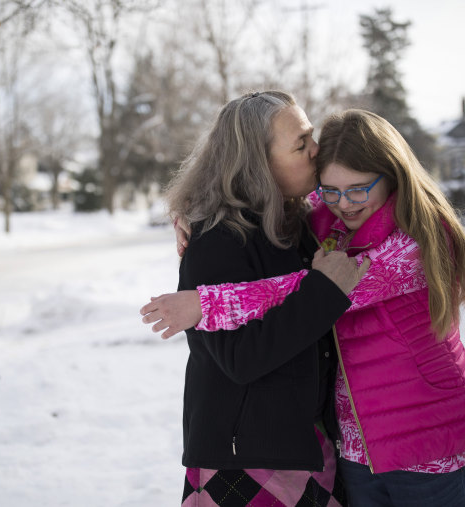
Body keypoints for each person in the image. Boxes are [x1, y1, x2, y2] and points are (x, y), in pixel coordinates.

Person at [143, 109, 465, 507]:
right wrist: (191, 209)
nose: (344, 202)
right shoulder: (325, 221)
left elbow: (310, 288)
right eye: (331, 189)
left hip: (424, 440)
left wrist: (206, 302)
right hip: (354, 448)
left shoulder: (413, 241)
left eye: (358, 188)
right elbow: (254, 186)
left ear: (393, 175)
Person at [141, 91, 371, 506]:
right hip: (245, 462)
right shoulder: (218, 238)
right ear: (257, 165)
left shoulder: (291, 219)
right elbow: (241, 358)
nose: (316, 150)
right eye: (301, 144)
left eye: (310, 136)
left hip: (304, 442)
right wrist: (325, 290)